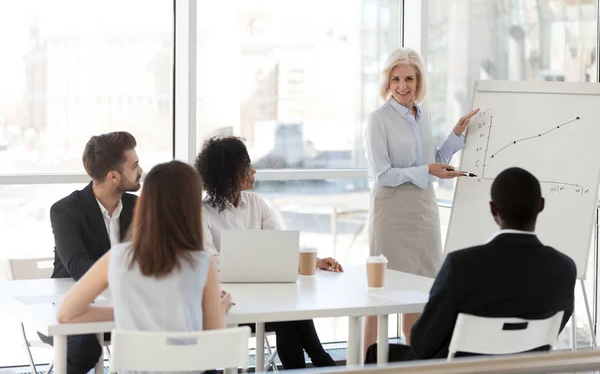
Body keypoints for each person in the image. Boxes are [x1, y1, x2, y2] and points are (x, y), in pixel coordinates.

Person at [366, 168, 577, 362]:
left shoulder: (461, 266)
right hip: (523, 368)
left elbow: (423, 342)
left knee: (377, 353)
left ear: (493, 209)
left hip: (460, 369)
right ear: (541, 206)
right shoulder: (564, 269)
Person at [363, 47, 478, 352]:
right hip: (392, 214)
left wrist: (455, 136)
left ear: (419, 81)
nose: (403, 86)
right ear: (387, 82)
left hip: (423, 213)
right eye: (396, 79)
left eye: (409, 79)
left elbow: (433, 161)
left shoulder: (422, 115)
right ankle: (365, 366)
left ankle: (416, 364)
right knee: (382, 294)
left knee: (421, 295)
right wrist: (427, 169)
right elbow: (382, 174)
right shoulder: (378, 120)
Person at [194, 136, 339, 369]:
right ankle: (321, 360)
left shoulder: (256, 204)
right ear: (228, 175)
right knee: (286, 310)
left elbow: (279, 247)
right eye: (245, 167)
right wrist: (264, 261)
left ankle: (315, 360)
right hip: (231, 302)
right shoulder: (202, 212)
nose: (252, 171)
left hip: (268, 298)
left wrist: (311, 261)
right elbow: (211, 263)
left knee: (286, 306)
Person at [57, 160, 229, 347]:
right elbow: (215, 347)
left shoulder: (117, 258)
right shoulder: (202, 263)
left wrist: (128, 311)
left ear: (145, 203)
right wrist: (218, 310)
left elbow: (66, 314)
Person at [39, 131, 143, 374]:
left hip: (125, 307)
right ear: (113, 176)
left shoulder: (138, 207)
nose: (141, 170)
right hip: (72, 308)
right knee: (85, 347)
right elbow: (78, 266)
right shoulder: (66, 211)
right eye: (135, 165)